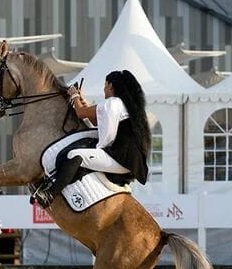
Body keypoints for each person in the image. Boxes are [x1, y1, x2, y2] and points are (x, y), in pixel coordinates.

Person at [34, 70, 151, 207]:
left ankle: (50, 195)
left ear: (111, 86)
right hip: (128, 161)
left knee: (75, 155)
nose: (104, 89)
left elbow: (81, 113)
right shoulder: (123, 104)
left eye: (105, 85)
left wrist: (74, 95)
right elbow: (97, 121)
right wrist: (81, 100)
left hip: (120, 158)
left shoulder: (112, 103)